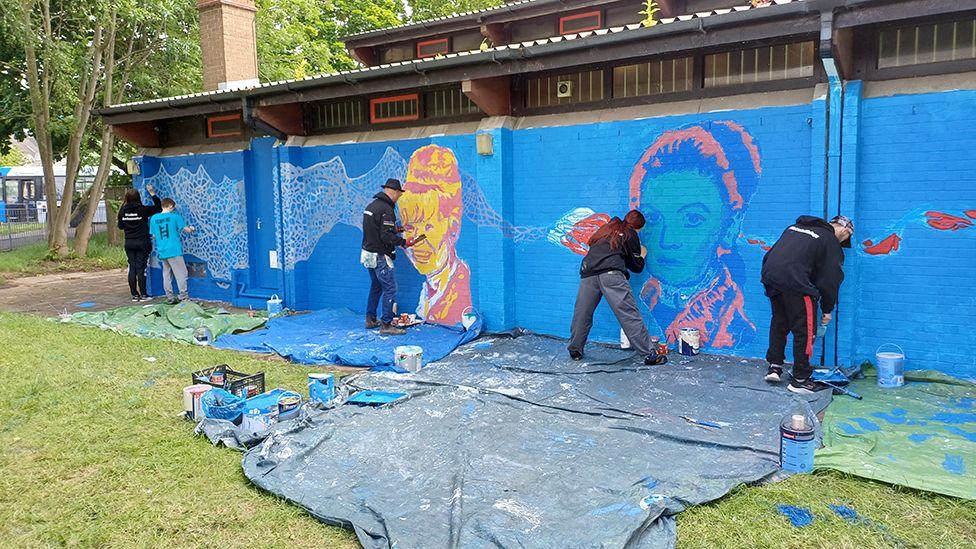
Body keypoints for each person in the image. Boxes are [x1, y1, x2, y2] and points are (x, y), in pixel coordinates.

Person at [628, 122, 762, 351]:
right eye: (652, 217)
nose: (666, 241)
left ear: (730, 226)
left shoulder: (735, 330)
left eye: (692, 219)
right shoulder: (647, 297)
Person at [761, 214, 854, 394]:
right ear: (845, 229)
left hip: (772, 277)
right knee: (805, 330)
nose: (844, 241)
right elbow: (830, 280)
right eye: (847, 237)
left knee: (780, 322)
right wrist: (827, 308)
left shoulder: (793, 228)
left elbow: (773, 254)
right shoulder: (830, 240)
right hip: (796, 282)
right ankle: (800, 379)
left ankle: (774, 367)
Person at [568, 210, 666, 365]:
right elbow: (636, 266)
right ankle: (649, 354)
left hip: (588, 272)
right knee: (628, 313)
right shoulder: (630, 233)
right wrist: (642, 254)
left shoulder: (607, 229)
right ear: (638, 227)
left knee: (582, 312)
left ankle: (575, 349)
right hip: (611, 274)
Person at [398, 145, 472, 325]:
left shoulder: (458, 293)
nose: (418, 241)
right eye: (410, 227)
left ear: (452, 228)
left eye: (429, 227)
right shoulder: (430, 290)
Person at [362, 179, 420, 335]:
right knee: (390, 288)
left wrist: (395, 229)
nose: (398, 199)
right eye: (399, 195)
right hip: (380, 255)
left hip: (367, 253)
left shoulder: (372, 206)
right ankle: (386, 325)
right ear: (394, 192)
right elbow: (385, 236)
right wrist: (403, 242)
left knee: (376, 286)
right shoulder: (386, 209)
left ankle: (370, 319)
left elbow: (377, 229)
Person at [117, 184, 161, 301]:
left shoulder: (122, 211)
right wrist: (152, 193)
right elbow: (158, 207)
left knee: (132, 268)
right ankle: (143, 295)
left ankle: (134, 295)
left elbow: (120, 226)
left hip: (129, 243)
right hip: (142, 242)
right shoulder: (142, 210)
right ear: (138, 197)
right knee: (141, 268)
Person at [148, 198, 196, 304]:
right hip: (174, 250)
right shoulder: (175, 217)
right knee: (182, 274)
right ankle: (183, 296)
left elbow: (154, 235)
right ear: (170, 205)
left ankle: (169, 297)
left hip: (162, 250)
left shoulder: (154, 218)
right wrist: (192, 228)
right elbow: (187, 230)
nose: (174, 209)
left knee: (166, 274)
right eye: (173, 207)